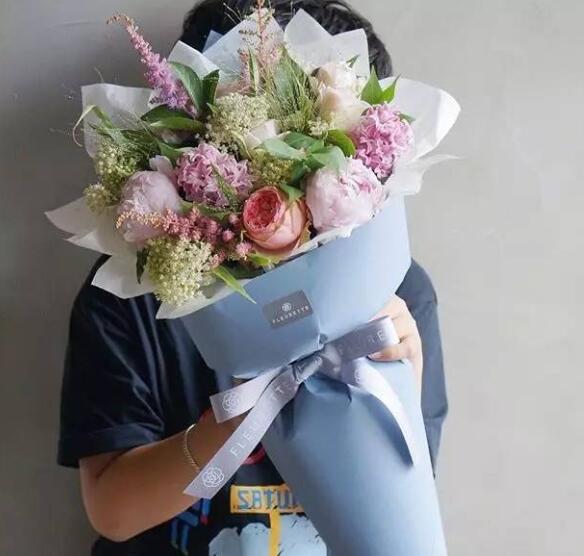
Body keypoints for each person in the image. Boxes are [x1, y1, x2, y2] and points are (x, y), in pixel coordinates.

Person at [58, 1, 448, 555]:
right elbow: (113, 510)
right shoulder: (134, 291)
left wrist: (405, 368)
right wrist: (255, 403)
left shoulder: (398, 291)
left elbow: (412, 493)